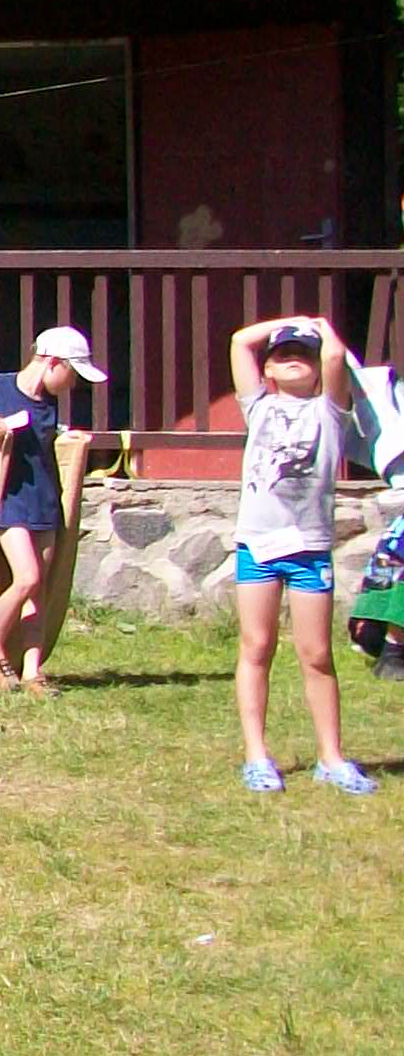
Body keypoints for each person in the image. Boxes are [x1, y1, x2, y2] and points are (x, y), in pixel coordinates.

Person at [227, 316, 373, 793]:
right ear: (267, 369)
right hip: (258, 545)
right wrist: (290, 323)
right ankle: (256, 756)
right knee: (256, 647)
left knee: (317, 654)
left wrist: (322, 327)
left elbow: (335, 356)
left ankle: (331, 758)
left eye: (303, 354)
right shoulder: (259, 407)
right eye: (282, 353)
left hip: (309, 548)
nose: (293, 359)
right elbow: (239, 342)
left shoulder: (329, 411)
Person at [0, 323, 107, 692]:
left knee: (39, 590)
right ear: (52, 362)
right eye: (72, 373)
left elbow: (45, 443)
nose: (73, 384)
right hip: (12, 500)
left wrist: (69, 439)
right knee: (27, 578)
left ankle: (32, 670)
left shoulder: (48, 405)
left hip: (45, 501)